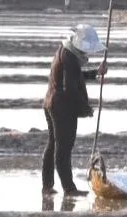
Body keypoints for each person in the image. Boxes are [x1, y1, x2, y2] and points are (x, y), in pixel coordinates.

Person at [42, 24, 108, 197]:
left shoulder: (66, 53)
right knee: (63, 147)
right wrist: (86, 109)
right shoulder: (69, 57)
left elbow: (76, 76)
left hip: (52, 103)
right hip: (61, 107)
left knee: (53, 145)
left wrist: (96, 73)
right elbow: (71, 89)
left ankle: (47, 186)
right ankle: (69, 188)